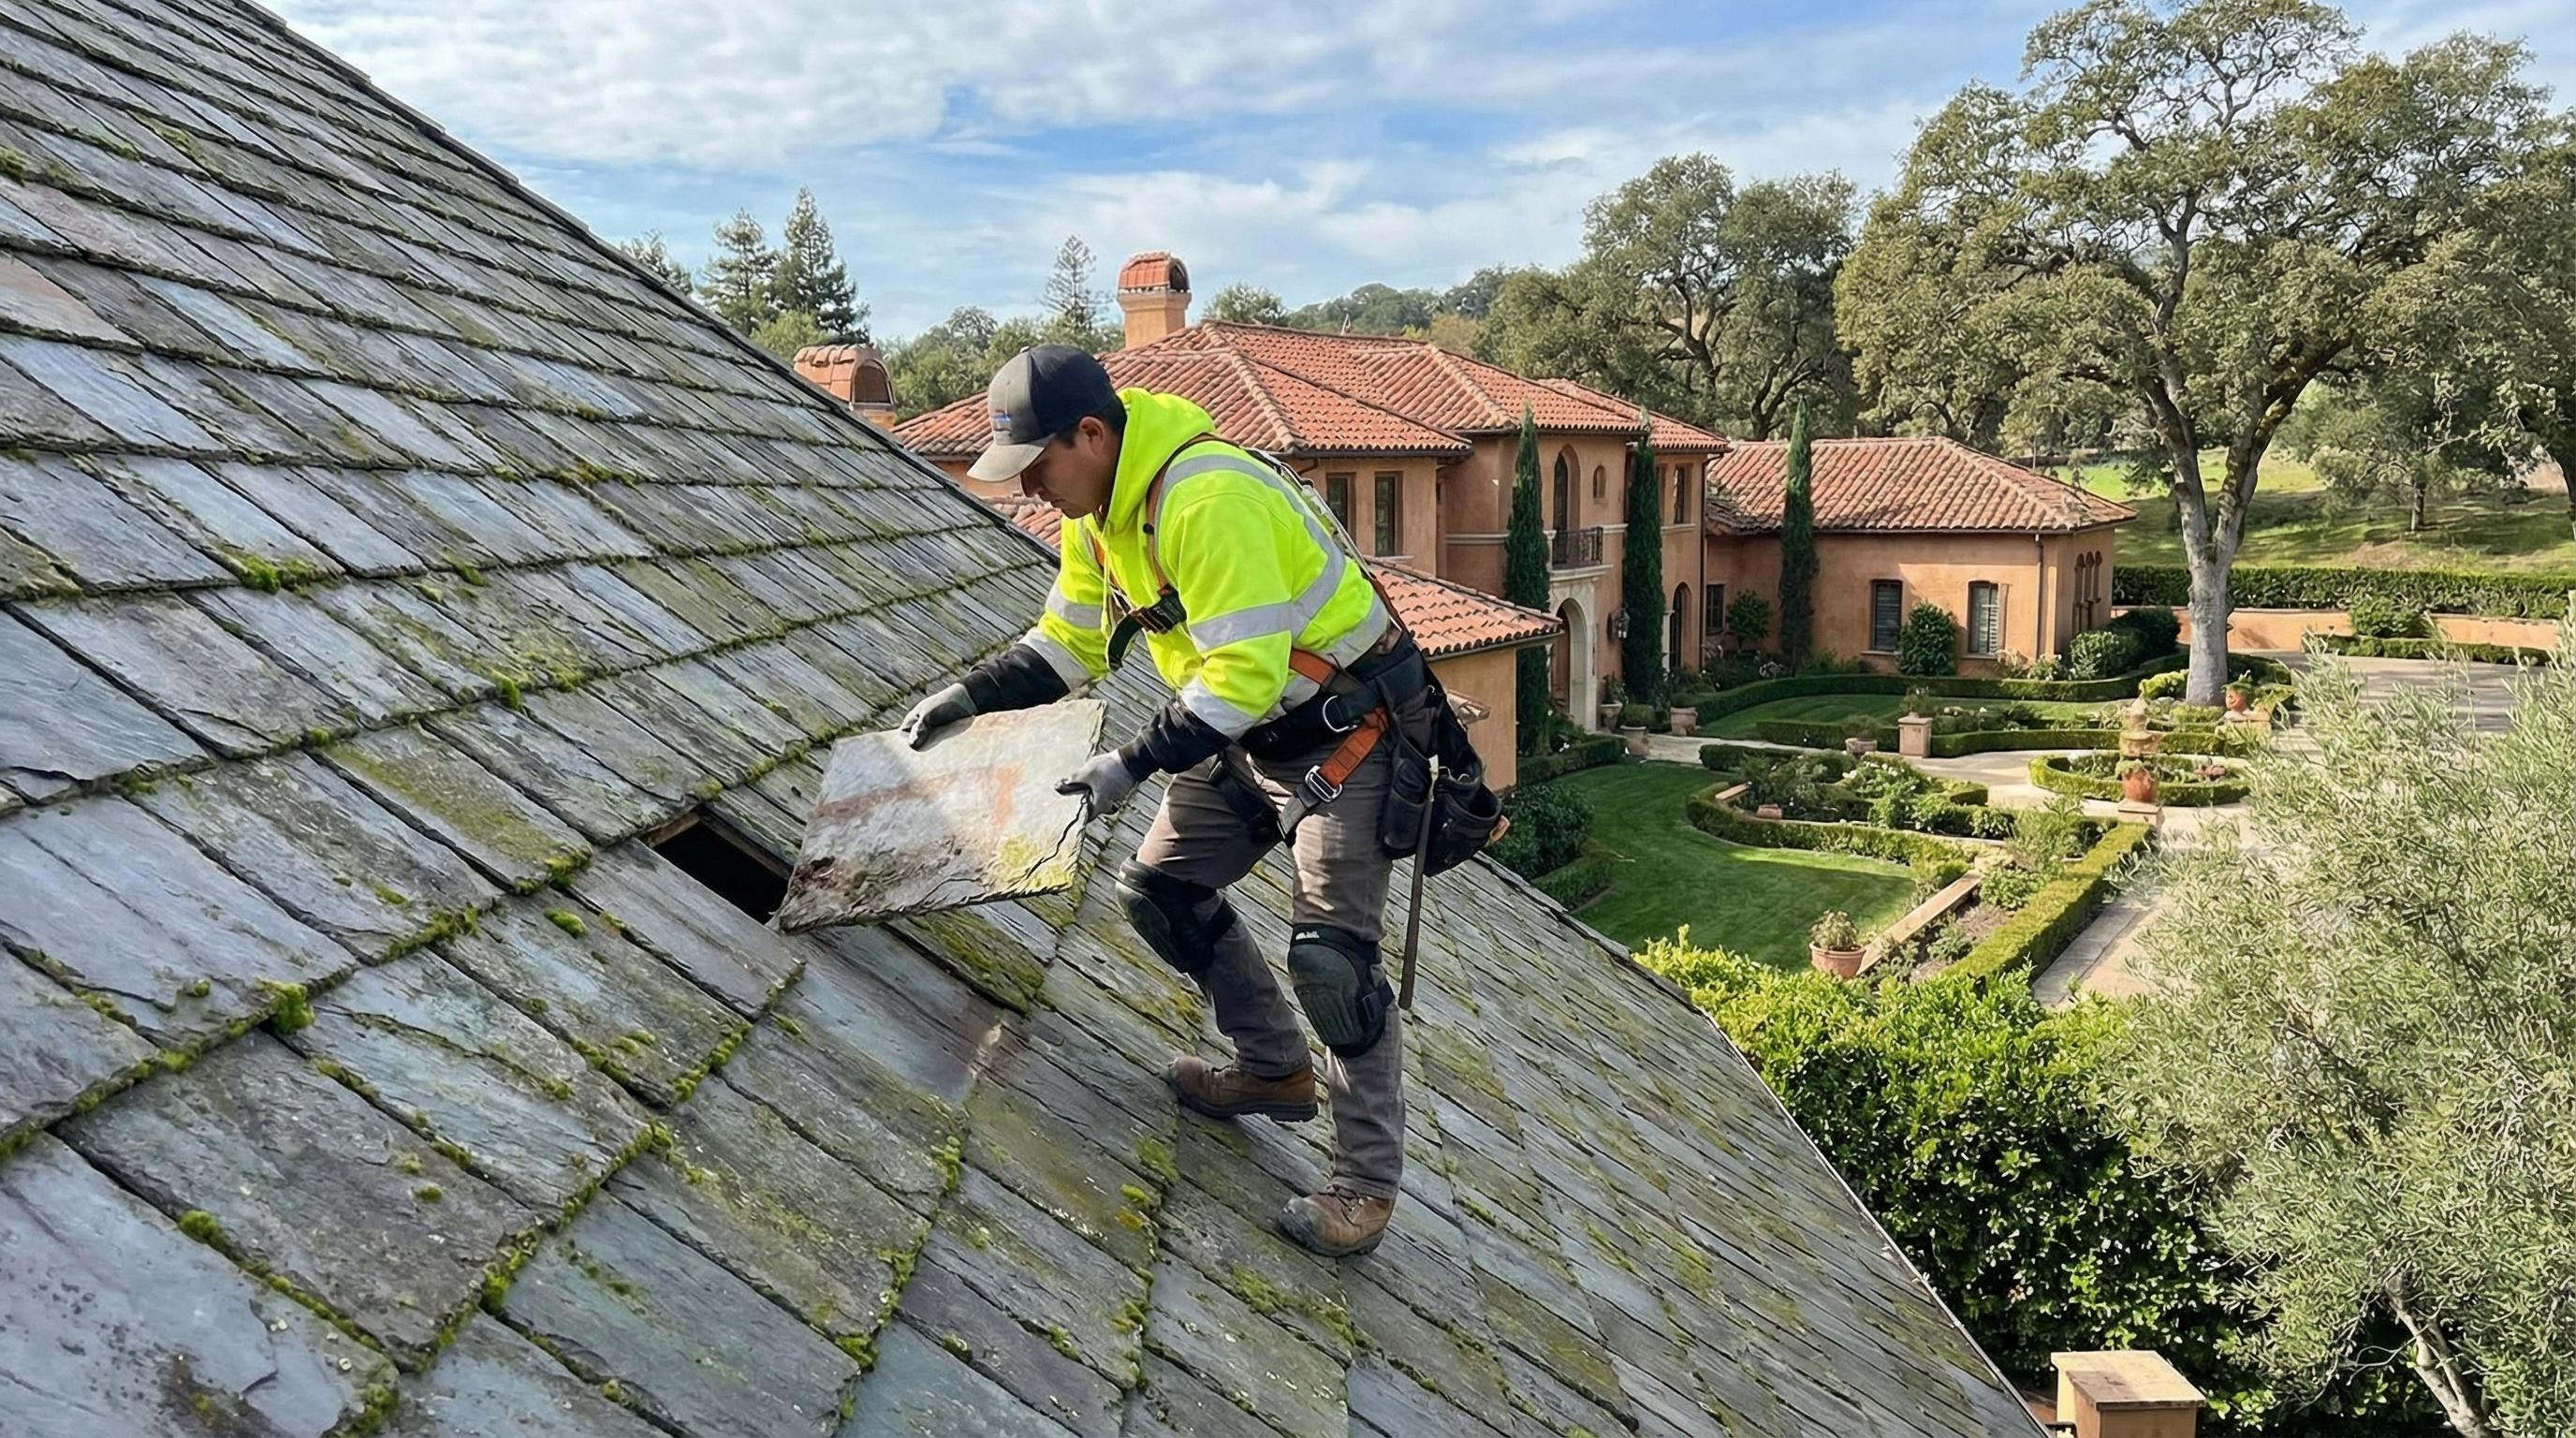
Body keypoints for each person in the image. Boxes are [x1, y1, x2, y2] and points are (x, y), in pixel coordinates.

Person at [900, 345, 1433, 1257]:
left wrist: (1128, 766)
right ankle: (1272, 1069)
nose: (1029, 489)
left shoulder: (1207, 498)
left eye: (1036, 466)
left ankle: (1364, 1187)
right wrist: (969, 696)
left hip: (1349, 740)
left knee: (1331, 965)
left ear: (1092, 434)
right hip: (1249, 732)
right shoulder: (1098, 511)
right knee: (1160, 889)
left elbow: (1240, 675)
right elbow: (1069, 641)